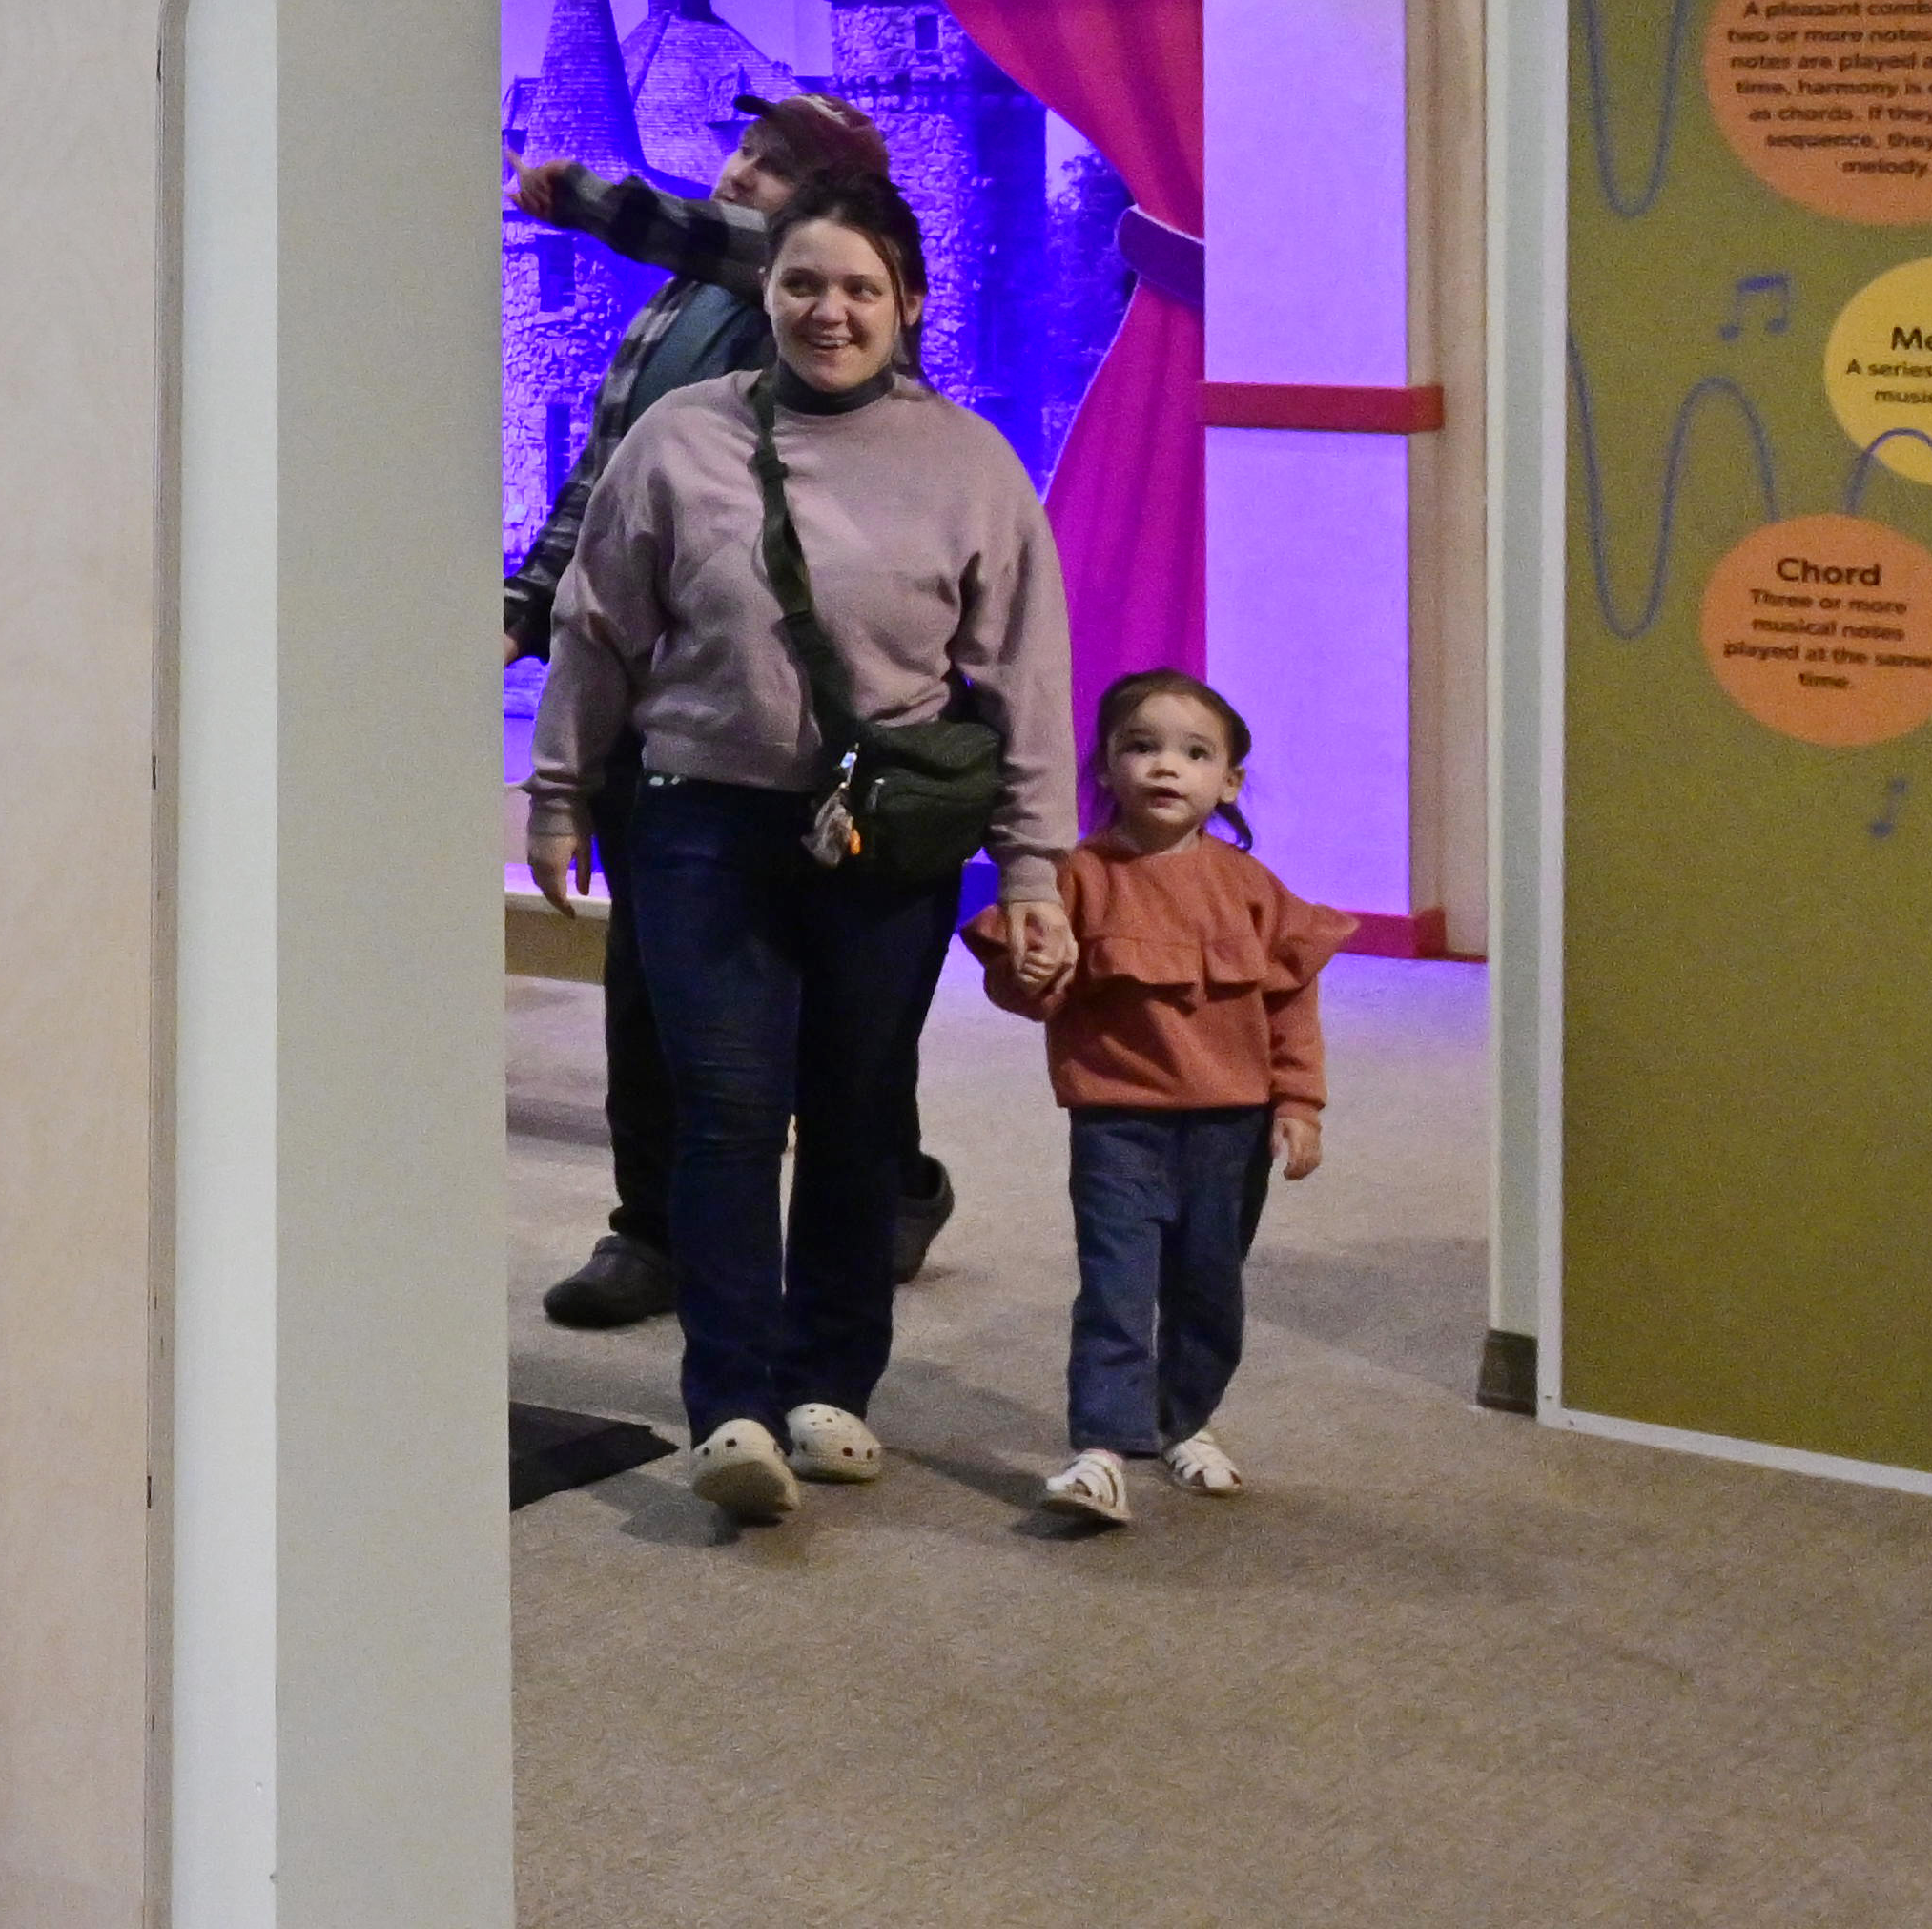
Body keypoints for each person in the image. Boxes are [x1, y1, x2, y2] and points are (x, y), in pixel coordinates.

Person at [522, 173, 1072, 1528]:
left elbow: (1023, 682)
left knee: (858, 1109)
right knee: (722, 1112)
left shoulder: (971, 466)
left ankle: (832, 1385)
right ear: (763, 295)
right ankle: (735, 1407)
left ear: (909, 306)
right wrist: (556, 793)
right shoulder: (676, 440)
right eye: (803, 284)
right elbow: (599, 629)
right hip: (701, 821)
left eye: (860, 289)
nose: (830, 311)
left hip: (882, 833)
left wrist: (1042, 871)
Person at [506, 92, 952, 1327]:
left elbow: (713, 236)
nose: (742, 176)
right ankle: (650, 1230)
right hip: (668, 712)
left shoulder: (810, 287)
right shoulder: (680, 311)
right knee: (655, 982)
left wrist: (566, 190)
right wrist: (525, 606)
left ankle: (891, 1185)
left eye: (775, 165)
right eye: (743, 154)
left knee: (841, 1006)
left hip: (817, 725)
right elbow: (611, 482)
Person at [981, 669, 1339, 1529]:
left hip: (1233, 1126)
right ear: (1105, 767)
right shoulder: (1073, 877)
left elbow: (1290, 1001)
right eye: (1140, 747)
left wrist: (1301, 1103)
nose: (1165, 767)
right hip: (1118, 1122)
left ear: (1230, 781)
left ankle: (1189, 1420)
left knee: (1210, 1282)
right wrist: (1028, 974)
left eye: (1194, 752)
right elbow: (1028, 986)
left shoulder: (1252, 890)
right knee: (1115, 1283)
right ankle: (1101, 1450)